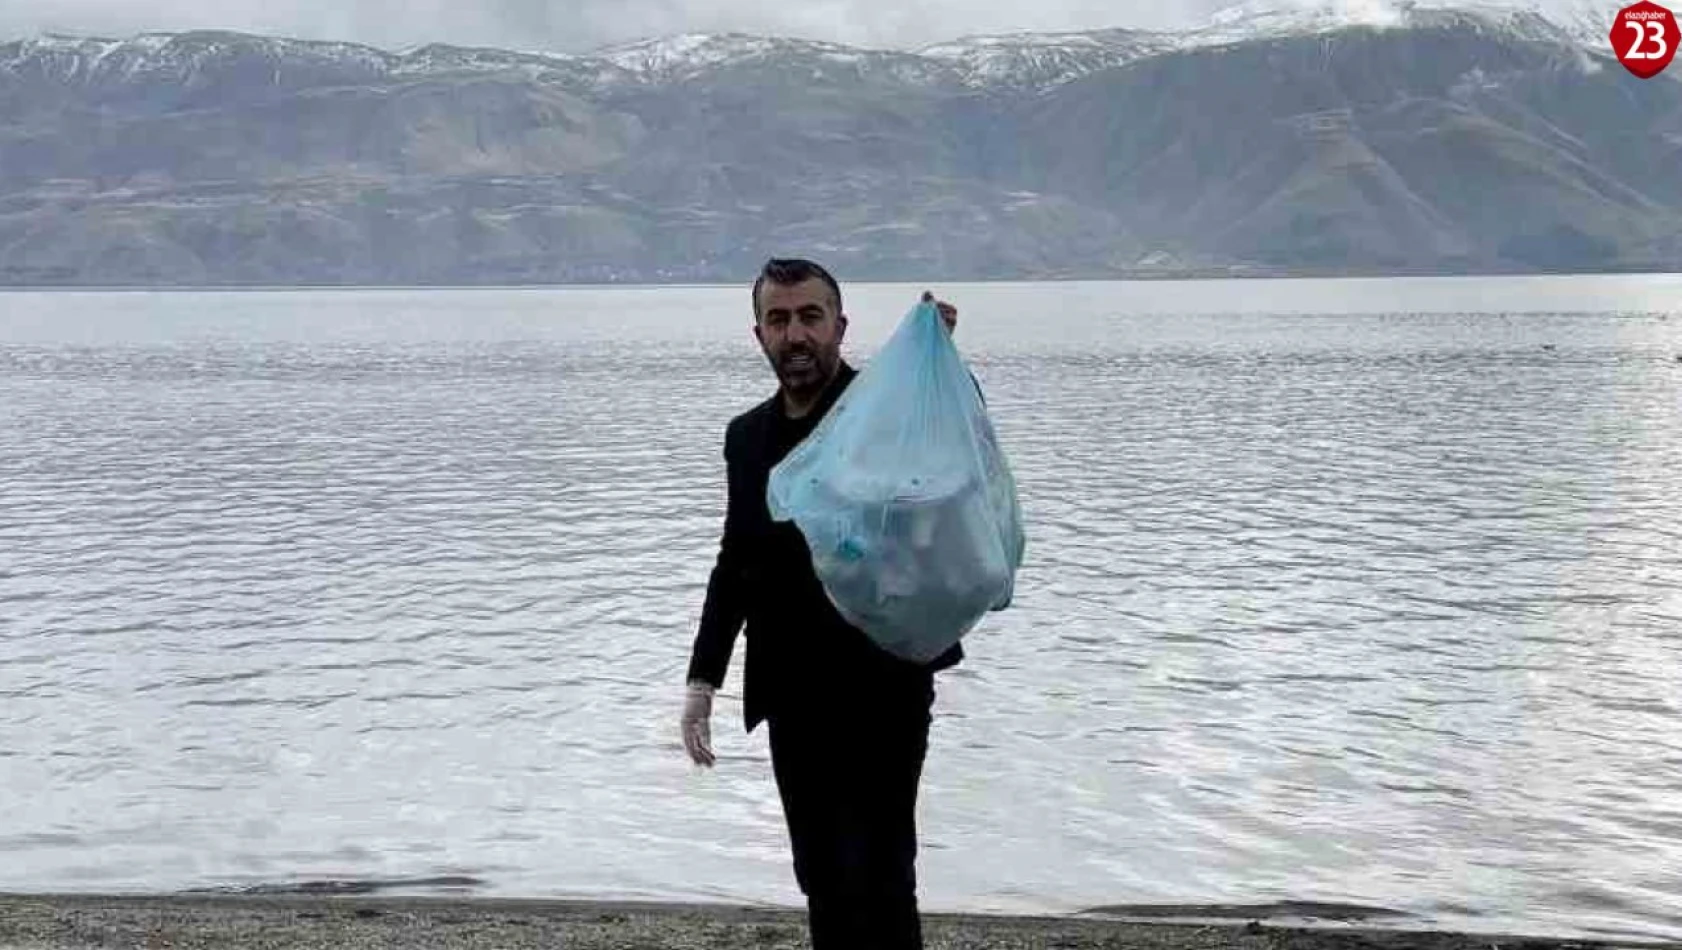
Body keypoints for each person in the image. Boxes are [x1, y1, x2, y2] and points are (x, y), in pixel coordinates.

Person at [680, 258, 964, 949]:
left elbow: (955, 461)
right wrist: (702, 681)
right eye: (779, 319)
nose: (795, 333)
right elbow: (735, 561)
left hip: (884, 683)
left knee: (882, 869)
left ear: (840, 326)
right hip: (791, 690)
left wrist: (938, 366)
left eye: (810, 316)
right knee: (821, 875)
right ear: (759, 335)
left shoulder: (883, 412)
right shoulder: (746, 438)